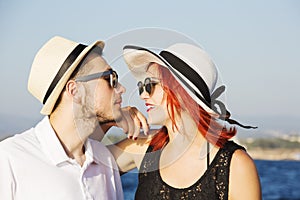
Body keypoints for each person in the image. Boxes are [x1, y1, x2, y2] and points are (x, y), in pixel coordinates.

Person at [0, 36, 148, 200]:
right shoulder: (9, 159)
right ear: (75, 90)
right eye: (110, 78)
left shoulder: (104, 160)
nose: (121, 88)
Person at [109, 43, 262, 199]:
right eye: (141, 86)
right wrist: (110, 117)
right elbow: (85, 162)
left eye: (150, 85)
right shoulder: (143, 148)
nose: (142, 95)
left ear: (181, 91)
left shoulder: (236, 165)